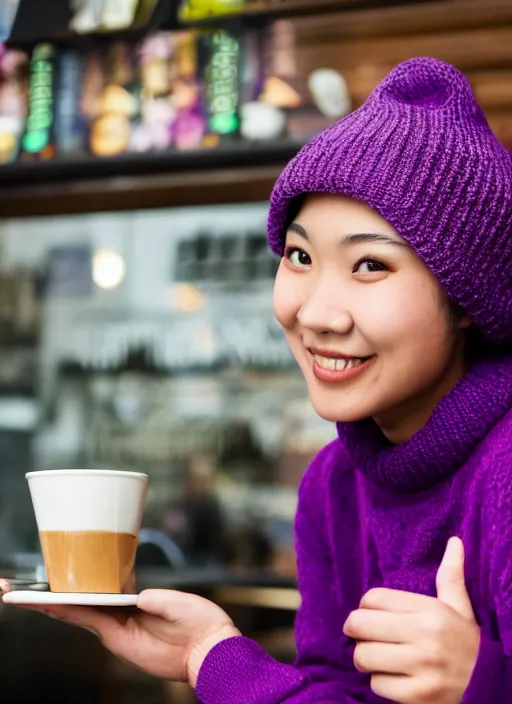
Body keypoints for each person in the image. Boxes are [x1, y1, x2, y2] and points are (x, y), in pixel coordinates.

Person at [18, 57, 512, 703]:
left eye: (370, 265)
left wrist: (484, 682)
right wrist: (210, 653)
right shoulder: (335, 484)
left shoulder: (502, 473)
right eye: (300, 257)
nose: (316, 313)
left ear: (468, 298)